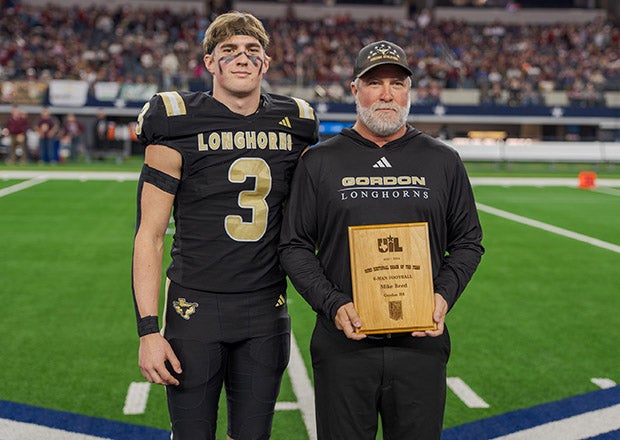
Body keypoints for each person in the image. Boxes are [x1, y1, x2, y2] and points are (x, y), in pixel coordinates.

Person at [279, 40, 484, 439]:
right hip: (343, 345)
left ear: (410, 91)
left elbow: (468, 242)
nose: (387, 94)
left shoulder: (442, 161)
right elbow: (294, 245)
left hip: (420, 345)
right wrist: (333, 303)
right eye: (375, 83)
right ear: (355, 90)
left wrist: (442, 296)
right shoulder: (320, 161)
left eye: (397, 83)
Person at [131, 11, 319, 440]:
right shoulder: (175, 119)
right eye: (229, 50)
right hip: (193, 309)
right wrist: (147, 330)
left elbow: (314, 220)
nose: (242, 58)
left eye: (253, 51)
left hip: (265, 311)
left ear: (265, 64)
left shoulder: (297, 124)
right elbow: (150, 234)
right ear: (210, 62)